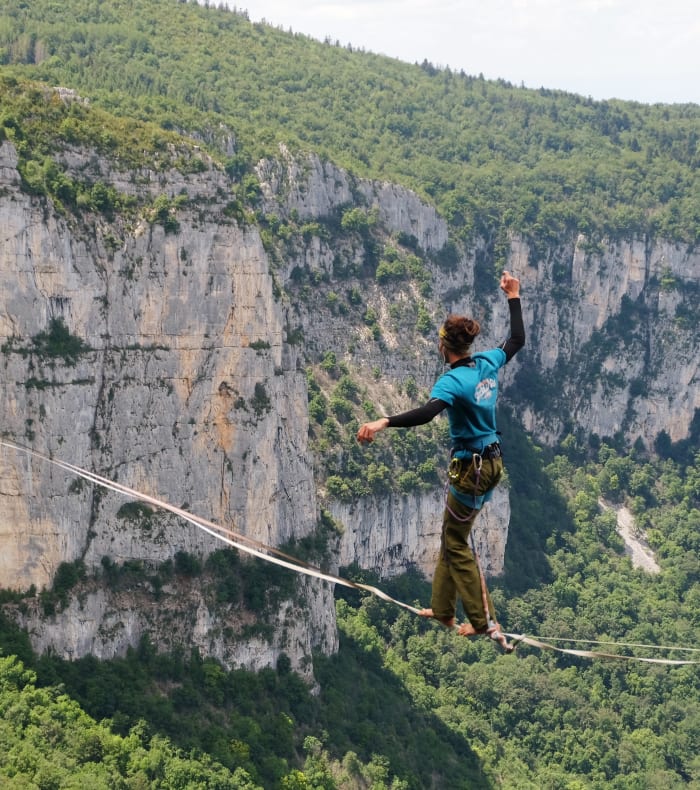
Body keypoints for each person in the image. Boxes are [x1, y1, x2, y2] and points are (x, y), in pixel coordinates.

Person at [356, 271, 524, 642]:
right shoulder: (486, 364)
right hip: (493, 462)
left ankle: (481, 621)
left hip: (471, 469)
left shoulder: (451, 382)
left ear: (444, 346)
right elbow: (516, 339)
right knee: (452, 535)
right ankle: (445, 610)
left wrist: (383, 421)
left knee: (456, 543)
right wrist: (513, 296)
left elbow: (428, 413)